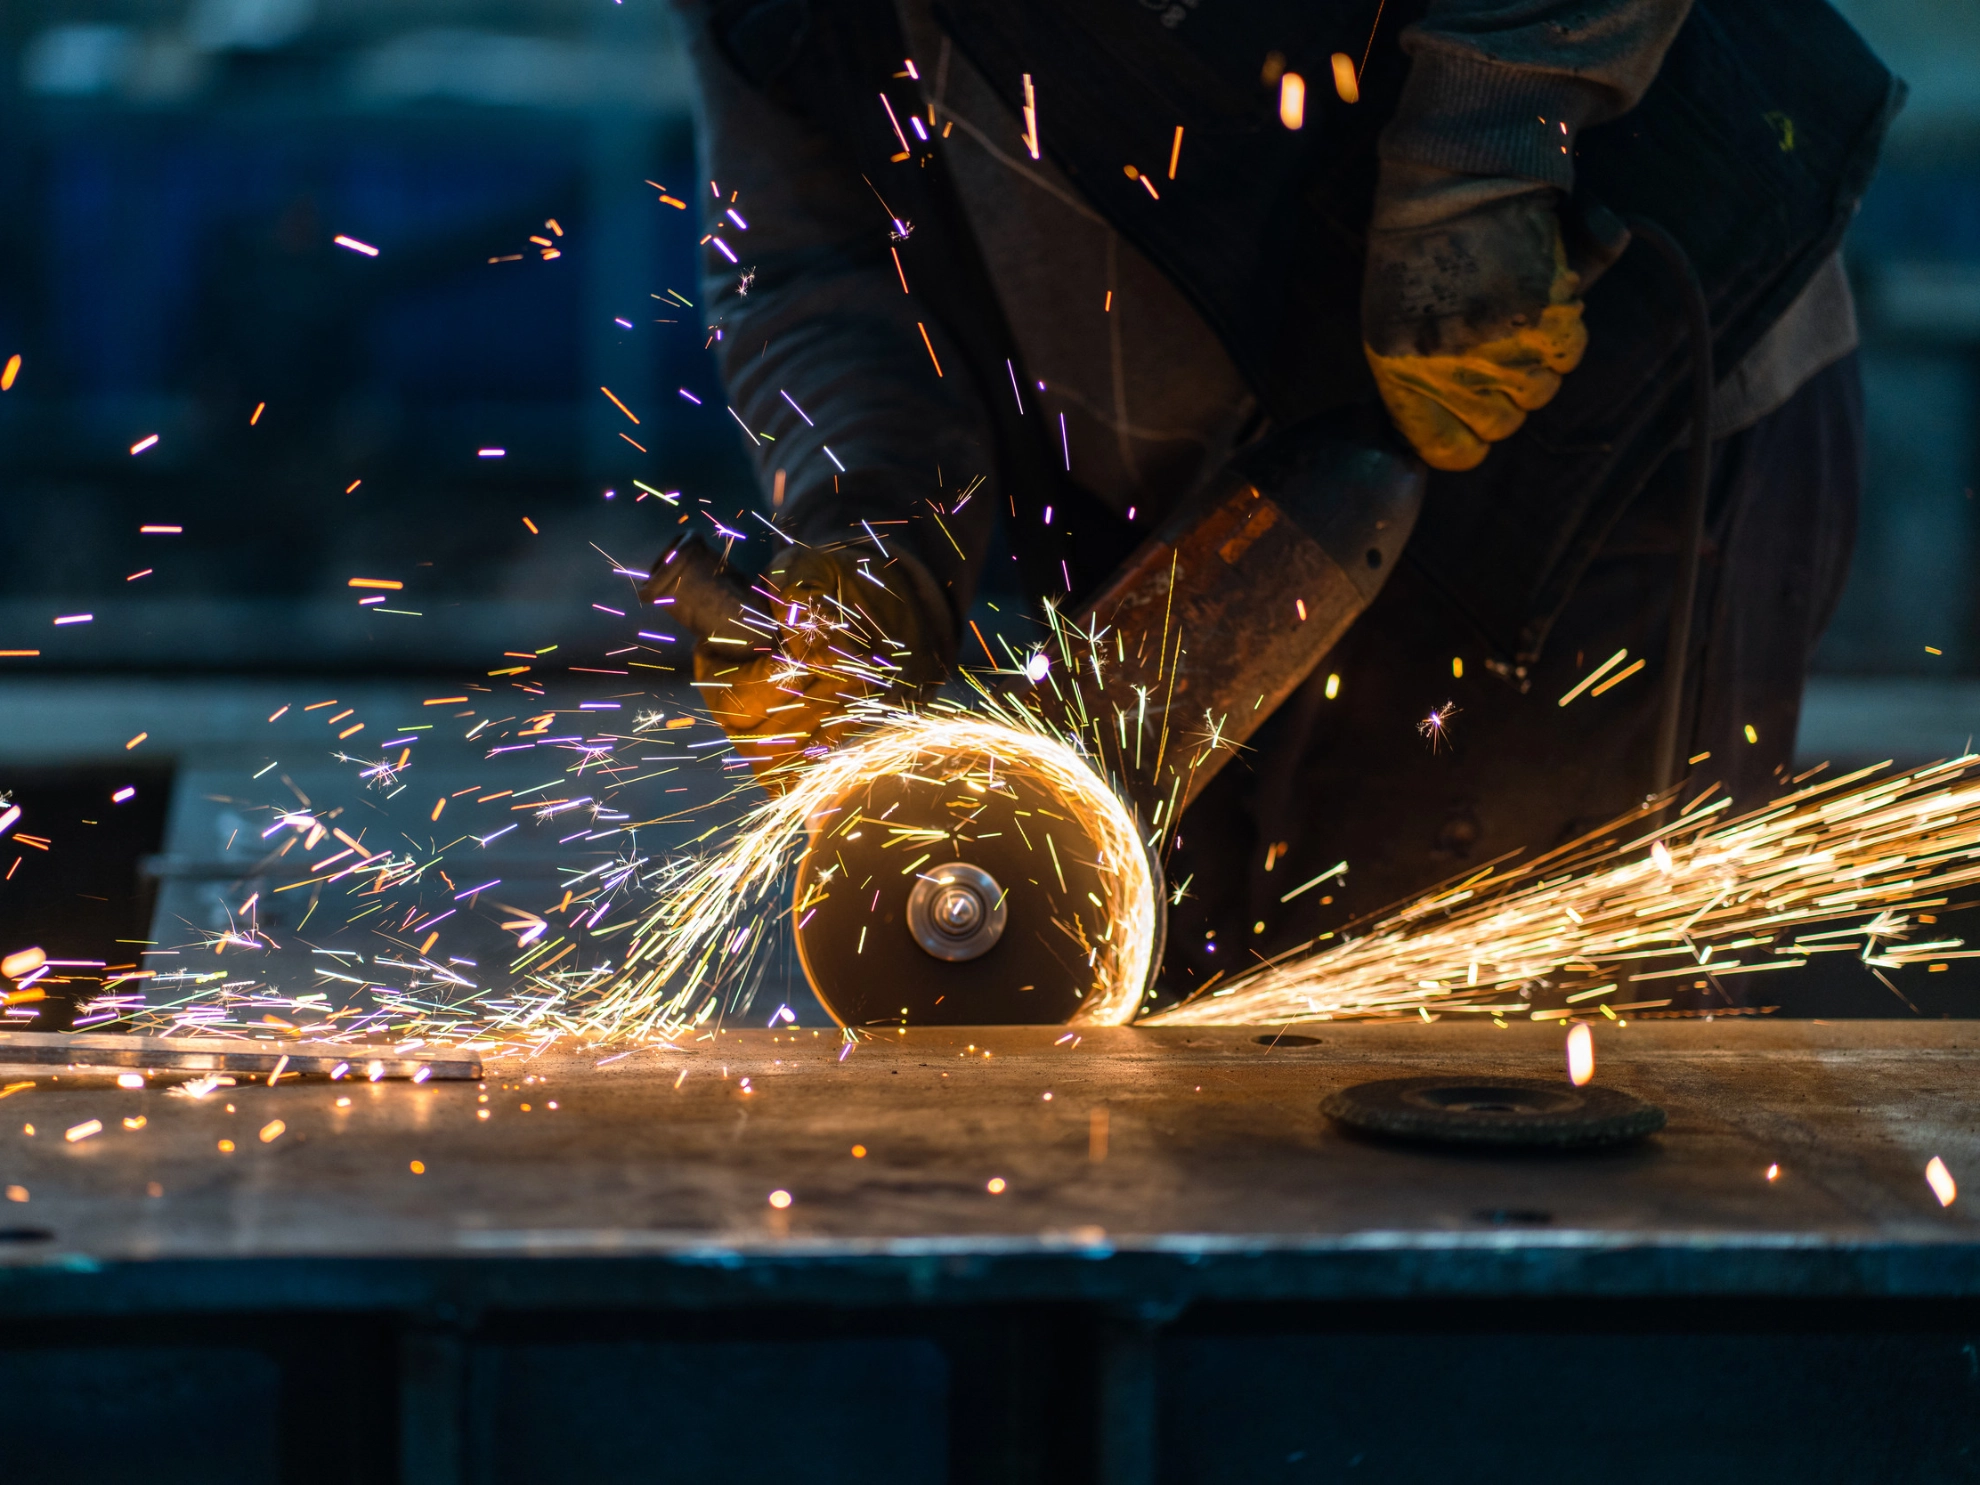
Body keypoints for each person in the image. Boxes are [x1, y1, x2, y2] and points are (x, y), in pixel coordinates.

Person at [662, 0, 1899, 999]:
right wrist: (874, 526)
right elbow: (811, 261)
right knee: (1215, 1056)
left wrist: (1483, 156)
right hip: (1174, 516)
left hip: (1582, 422)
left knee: (1510, 1073)